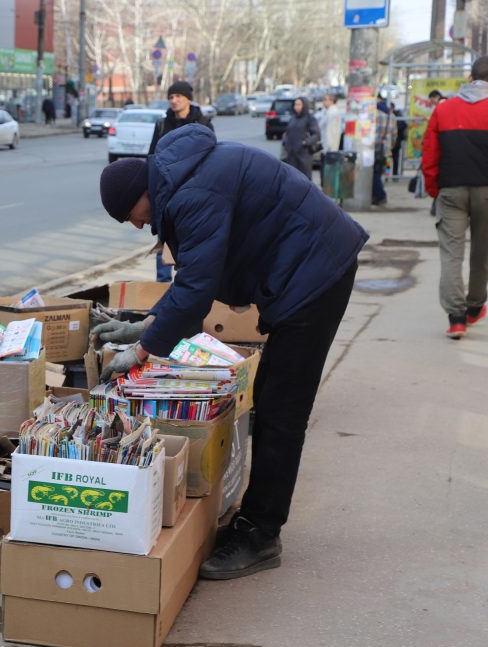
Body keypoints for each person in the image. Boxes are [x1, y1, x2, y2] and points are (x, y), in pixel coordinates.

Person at [93, 125, 368, 580]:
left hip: (316, 272)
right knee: (272, 399)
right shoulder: (184, 177)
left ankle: (260, 534)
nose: (138, 225)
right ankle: (257, 518)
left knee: (282, 410)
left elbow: (198, 288)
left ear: (141, 193)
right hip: (307, 264)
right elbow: (198, 275)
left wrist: (144, 350)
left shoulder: (189, 195)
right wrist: (146, 323)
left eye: (131, 216)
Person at [421, 56, 488, 339]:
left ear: (470, 78)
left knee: (451, 254)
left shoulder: (444, 109)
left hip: (450, 190)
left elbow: (429, 154)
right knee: (482, 253)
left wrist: (435, 188)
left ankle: (456, 318)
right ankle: (474, 307)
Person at [148, 81, 214, 282]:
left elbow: (212, 157)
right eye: (170, 97)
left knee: (192, 240)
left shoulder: (202, 123)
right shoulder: (162, 124)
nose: (174, 101)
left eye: (178, 96)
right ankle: (162, 283)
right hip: (167, 191)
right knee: (164, 237)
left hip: (193, 190)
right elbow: (152, 156)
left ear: (188, 98)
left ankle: (188, 282)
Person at [281, 97, 321, 181]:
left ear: (304, 105)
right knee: (292, 178)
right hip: (291, 155)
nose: (296, 107)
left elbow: (316, 134)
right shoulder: (293, 118)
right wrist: (285, 142)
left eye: (299, 105)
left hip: (303, 155)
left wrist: (305, 143)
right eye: (295, 104)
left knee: (304, 180)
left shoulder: (310, 118)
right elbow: (287, 132)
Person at [372, 97, 396, 205]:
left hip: (375, 149)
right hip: (386, 150)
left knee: (374, 174)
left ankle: (380, 195)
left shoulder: (375, 115)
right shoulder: (392, 117)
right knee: (382, 171)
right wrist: (390, 146)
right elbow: (395, 134)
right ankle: (378, 194)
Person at [390, 103, 409, 179]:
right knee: (388, 160)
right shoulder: (396, 115)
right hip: (391, 141)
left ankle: (395, 175)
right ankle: (387, 175)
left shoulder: (398, 115)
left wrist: (396, 127)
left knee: (395, 159)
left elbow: (403, 125)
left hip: (396, 142)